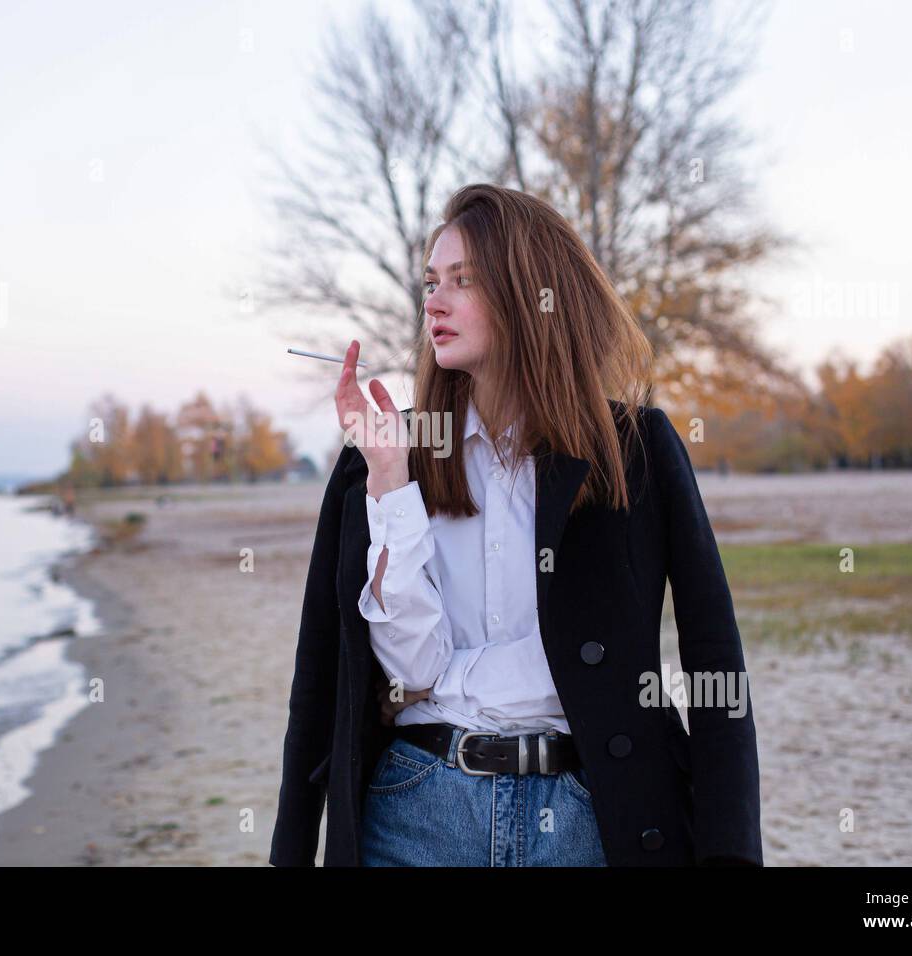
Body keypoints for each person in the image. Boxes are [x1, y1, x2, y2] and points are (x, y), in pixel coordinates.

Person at [270, 183, 762, 867]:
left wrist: (733, 856)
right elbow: (365, 671)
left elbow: (716, 660)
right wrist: (390, 479)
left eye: (462, 281)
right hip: (417, 812)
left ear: (531, 293)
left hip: (593, 818)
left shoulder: (633, 449)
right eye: (430, 283)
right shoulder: (386, 454)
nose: (434, 302)